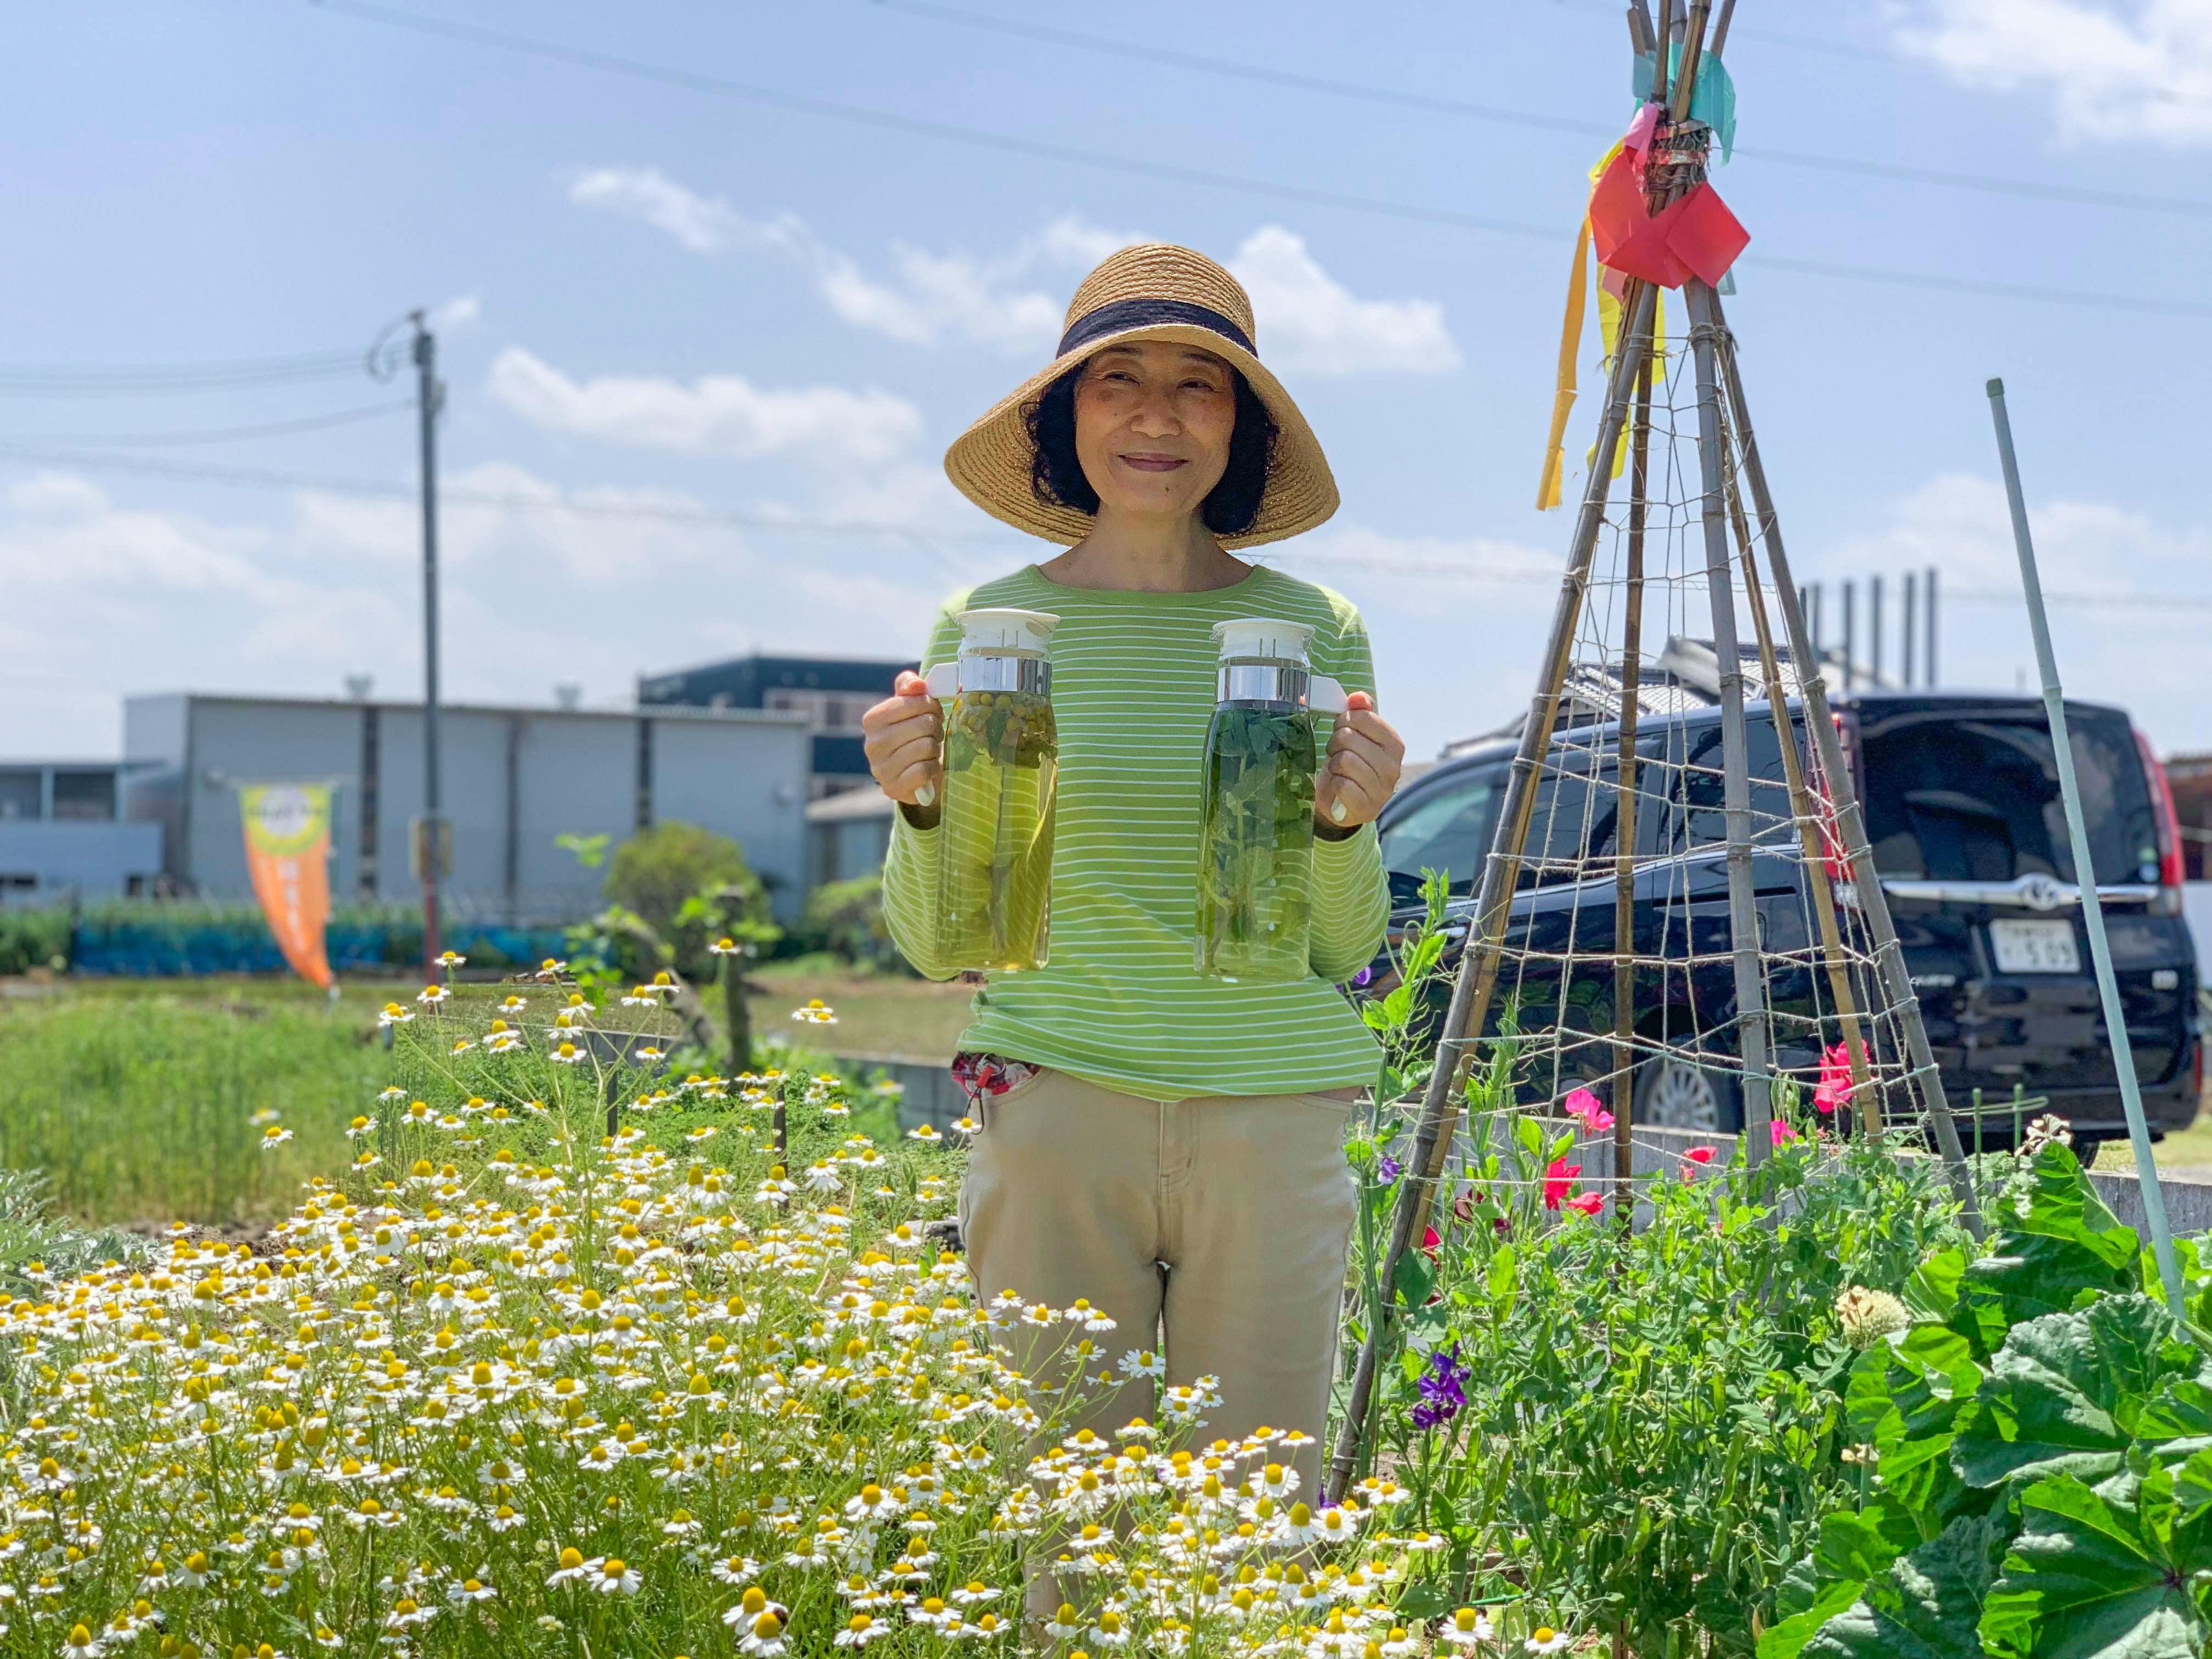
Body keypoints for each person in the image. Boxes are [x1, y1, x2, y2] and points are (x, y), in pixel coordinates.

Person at [861, 244, 1404, 1606]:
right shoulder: (993, 627)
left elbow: (1338, 944)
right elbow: (946, 943)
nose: (1159, 415)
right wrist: (916, 806)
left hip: (1274, 1113)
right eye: (1120, 380)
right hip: (1054, 1102)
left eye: (1199, 386)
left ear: (1243, 426)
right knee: (1064, 1522)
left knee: (1259, 1530)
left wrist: (1347, 826)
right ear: (1067, 415)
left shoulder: (1312, 627)